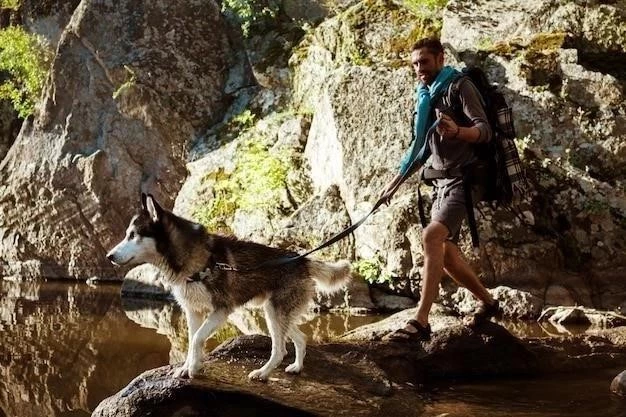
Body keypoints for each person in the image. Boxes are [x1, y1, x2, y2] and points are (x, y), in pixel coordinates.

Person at [381, 38, 500, 342]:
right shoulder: (424, 96)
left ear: (440, 58)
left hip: (466, 177)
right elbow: (419, 149)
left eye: (424, 61)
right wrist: (392, 185)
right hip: (441, 182)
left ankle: (422, 320)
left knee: (431, 236)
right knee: (445, 253)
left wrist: (458, 131)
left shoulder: (459, 87)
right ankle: (488, 303)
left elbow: (484, 130)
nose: (419, 69)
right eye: (415, 64)